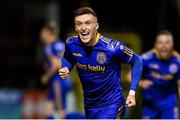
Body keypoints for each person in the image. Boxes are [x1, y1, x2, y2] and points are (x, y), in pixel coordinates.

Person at [59, 7, 143, 119]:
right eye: (79, 24)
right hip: (90, 106)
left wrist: (132, 93)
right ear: (75, 27)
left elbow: (137, 61)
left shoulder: (112, 48)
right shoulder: (71, 44)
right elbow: (68, 58)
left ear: (96, 26)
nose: (83, 28)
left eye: (88, 23)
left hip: (112, 104)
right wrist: (65, 68)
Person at [140, 30, 180, 119]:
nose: (164, 46)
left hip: (169, 103)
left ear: (172, 44)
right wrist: (141, 82)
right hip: (150, 103)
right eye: (160, 43)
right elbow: (129, 76)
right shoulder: (146, 58)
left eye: (167, 43)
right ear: (155, 45)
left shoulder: (177, 61)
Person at [40, 25, 72, 119]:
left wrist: (46, 76)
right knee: (47, 111)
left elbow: (57, 64)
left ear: (48, 33)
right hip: (65, 79)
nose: (41, 35)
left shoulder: (49, 47)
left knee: (60, 112)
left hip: (58, 80)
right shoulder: (60, 43)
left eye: (42, 33)